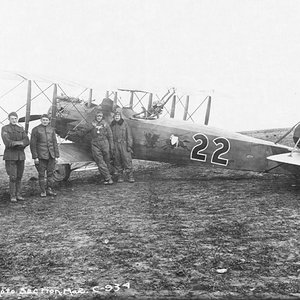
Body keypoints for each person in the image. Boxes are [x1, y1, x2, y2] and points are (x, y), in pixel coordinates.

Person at [1, 112, 30, 202]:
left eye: (15, 118)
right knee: (13, 177)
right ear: (9, 119)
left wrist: (19, 143)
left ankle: (18, 194)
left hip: (20, 156)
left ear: (17, 119)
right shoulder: (5, 128)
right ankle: (12, 195)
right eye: (12, 118)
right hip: (10, 156)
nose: (14, 120)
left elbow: (26, 140)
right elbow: (7, 142)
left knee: (19, 176)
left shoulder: (21, 129)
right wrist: (20, 143)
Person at [30, 114, 60, 197]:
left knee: (50, 173)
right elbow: (33, 144)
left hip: (51, 155)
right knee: (41, 174)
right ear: (41, 120)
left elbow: (54, 143)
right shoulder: (35, 130)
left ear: (49, 121)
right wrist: (35, 157)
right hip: (41, 156)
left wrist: (56, 155)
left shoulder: (51, 129)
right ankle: (43, 191)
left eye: (46, 120)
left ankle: (49, 189)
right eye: (43, 120)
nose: (45, 121)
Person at [88, 111, 114, 185]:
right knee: (100, 162)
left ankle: (106, 177)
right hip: (95, 144)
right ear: (95, 117)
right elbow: (84, 131)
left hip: (105, 143)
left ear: (102, 117)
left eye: (100, 116)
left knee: (107, 161)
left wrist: (111, 146)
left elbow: (110, 135)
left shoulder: (106, 124)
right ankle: (108, 178)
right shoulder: (92, 124)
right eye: (97, 116)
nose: (99, 117)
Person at [110, 110, 135, 183]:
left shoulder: (125, 124)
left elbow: (129, 135)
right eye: (115, 116)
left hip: (124, 144)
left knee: (127, 160)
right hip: (115, 145)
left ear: (120, 117)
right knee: (117, 161)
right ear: (113, 117)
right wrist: (112, 147)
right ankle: (120, 176)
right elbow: (110, 136)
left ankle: (130, 176)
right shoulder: (112, 125)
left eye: (118, 116)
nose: (117, 117)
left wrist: (129, 146)